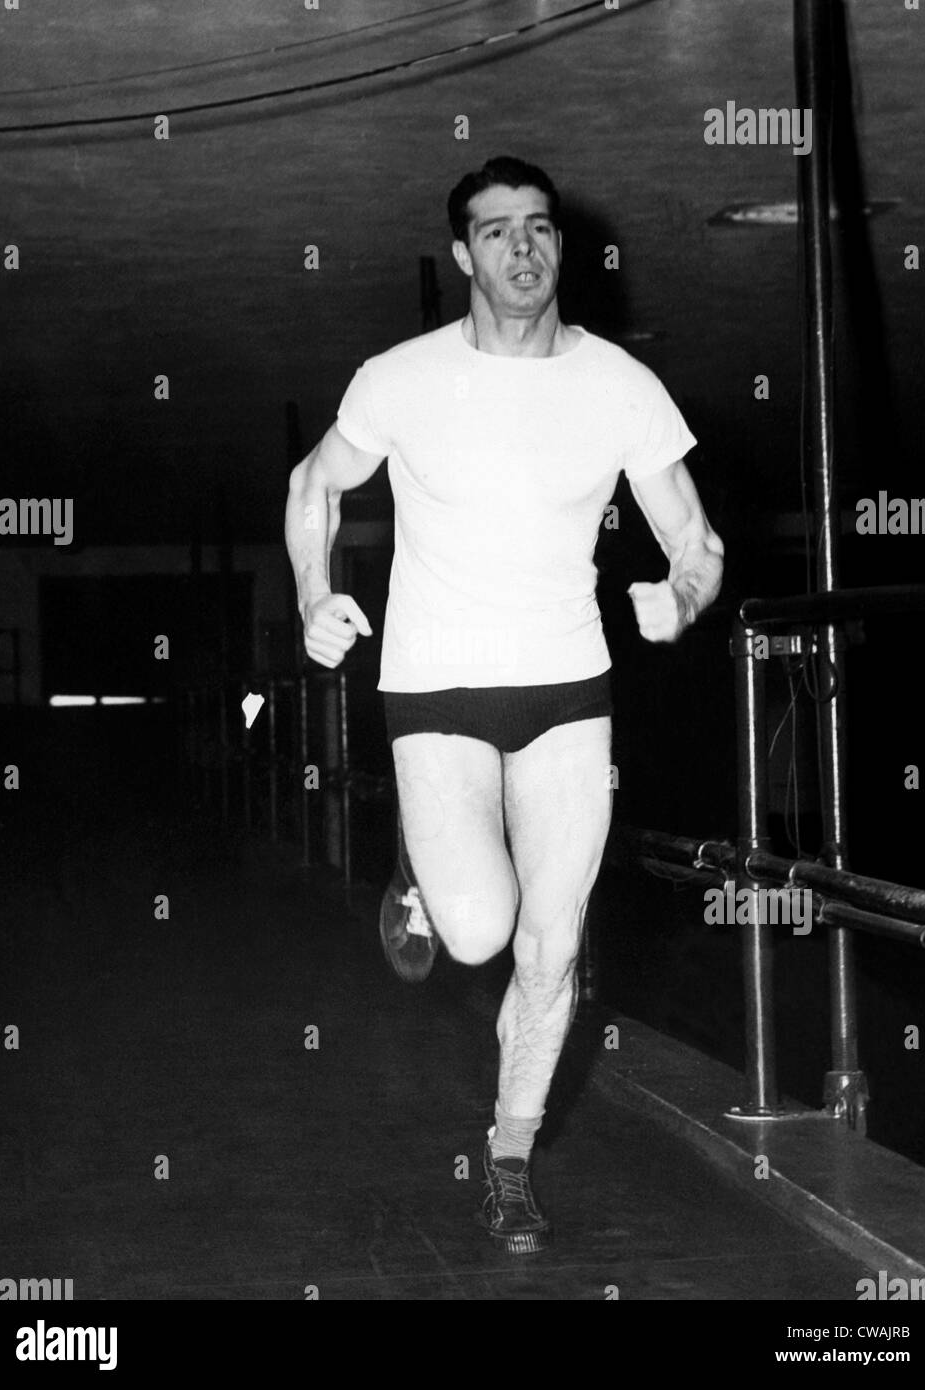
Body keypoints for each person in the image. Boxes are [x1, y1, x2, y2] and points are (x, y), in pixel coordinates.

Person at [285, 155, 723, 1255]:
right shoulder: (400, 377)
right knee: (477, 928)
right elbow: (315, 482)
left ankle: (510, 1156)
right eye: (494, 232)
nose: (519, 250)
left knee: (551, 942)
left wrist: (678, 598)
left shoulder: (620, 385)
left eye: (537, 228)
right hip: (432, 687)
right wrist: (312, 597)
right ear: (462, 253)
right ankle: (423, 866)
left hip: (567, 688)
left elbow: (696, 542)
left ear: (560, 247)